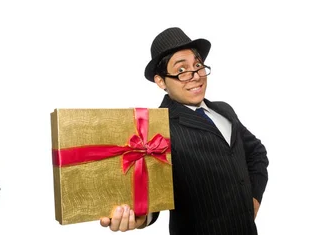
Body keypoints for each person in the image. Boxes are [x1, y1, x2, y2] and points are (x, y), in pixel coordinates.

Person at [100, 27, 269, 234]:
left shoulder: (224, 110)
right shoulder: (157, 126)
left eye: (197, 65)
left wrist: (254, 199)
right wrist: (141, 217)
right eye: (181, 70)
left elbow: (257, 153)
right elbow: (153, 188)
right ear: (161, 81)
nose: (195, 75)